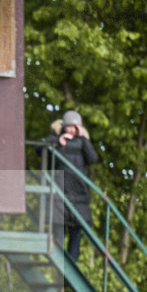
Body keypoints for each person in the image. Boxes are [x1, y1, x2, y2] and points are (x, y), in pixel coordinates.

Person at [41, 109, 98, 261]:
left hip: (78, 195)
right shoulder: (55, 139)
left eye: (75, 127)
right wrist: (58, 142)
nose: (72, 130)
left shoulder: (83, 143)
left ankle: (70, 265)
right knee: (58, 232)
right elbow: (40, 149)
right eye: (69, 126)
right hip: (59, 193)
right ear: (64, 126)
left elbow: (93, 158)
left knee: (75, 234)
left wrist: (84, 139)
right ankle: (59, 264)